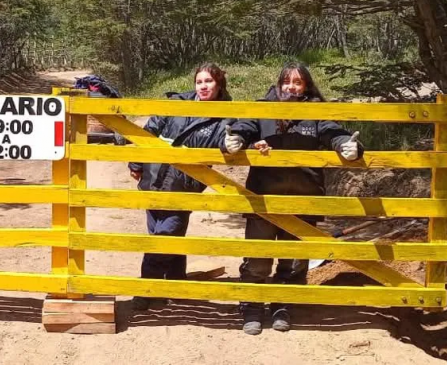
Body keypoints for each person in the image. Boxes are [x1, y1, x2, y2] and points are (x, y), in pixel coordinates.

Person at [222, 61, 363, 335]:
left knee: (294, 260)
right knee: (259, 256)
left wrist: (349, 145)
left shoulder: (315, 111)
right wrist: (236, 140)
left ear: (306, 86)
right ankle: (251, 306)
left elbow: (333, 131)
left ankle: (281, 305)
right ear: (279, 83)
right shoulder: (264, 107)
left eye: (297, 82)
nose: (291, 86)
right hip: (263, 196)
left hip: (304, 197)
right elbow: (244, 126)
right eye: (287, 81)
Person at [128, 63, 234, 311]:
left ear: (219, 84)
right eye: (199, 81)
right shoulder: (176, 103)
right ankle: (176, 283)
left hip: (183, 187)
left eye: (208, 81)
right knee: (160, 233)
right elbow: (150, 131)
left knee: (165, 237)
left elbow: (228, 142)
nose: (203, 86)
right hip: (153, 179)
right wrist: (136, 162)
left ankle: (146, 290)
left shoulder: (225, 116)